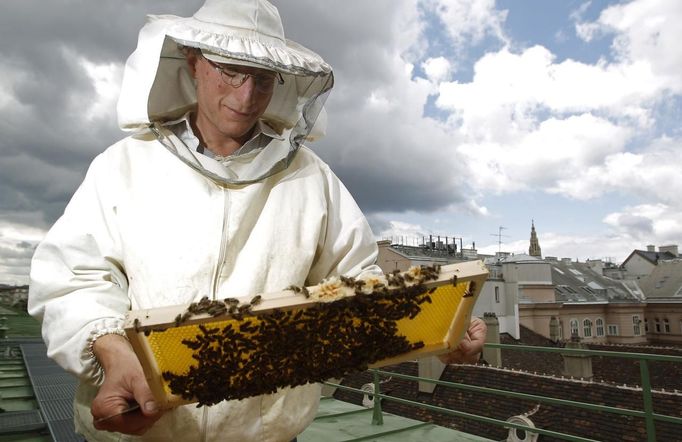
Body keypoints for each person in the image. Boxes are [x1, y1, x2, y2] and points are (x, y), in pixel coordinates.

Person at [28, 1, 485, 440]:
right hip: (138, 432)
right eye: (230, 71)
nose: (246, 97)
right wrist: (111, 352)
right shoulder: (122, 166)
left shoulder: (312, 178)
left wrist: (444, 329)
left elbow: (358, 290)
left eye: (263, 79)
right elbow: (74, 278)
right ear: (193, 62)